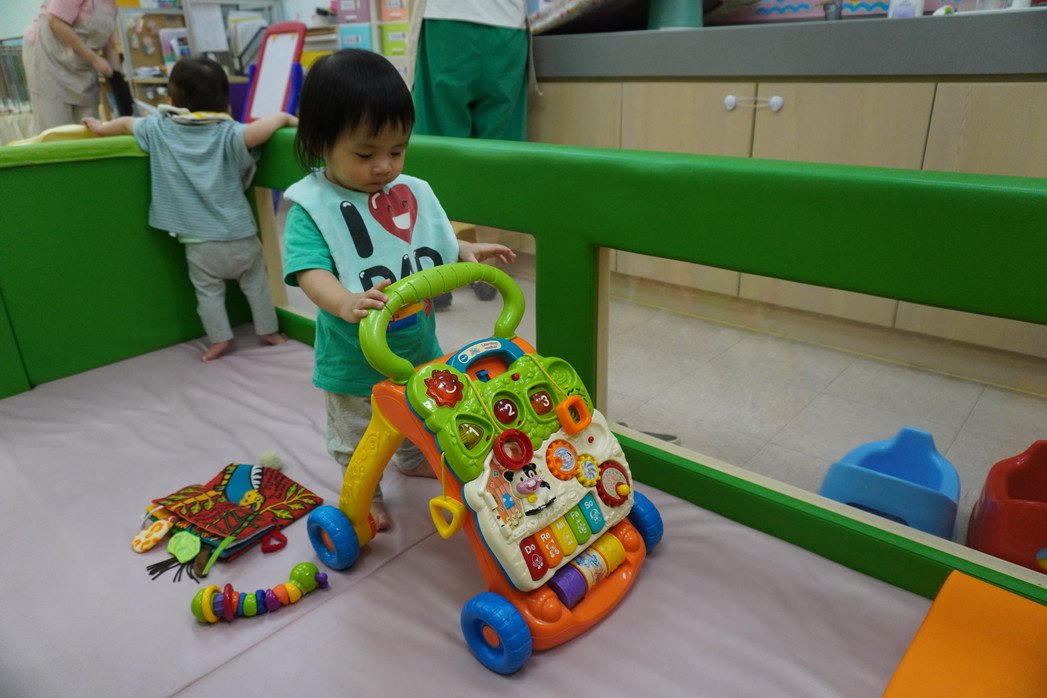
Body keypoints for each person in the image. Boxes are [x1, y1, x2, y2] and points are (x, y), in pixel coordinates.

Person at [284, 49, 516, 531]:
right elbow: (309, 272)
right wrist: (345, 301)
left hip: (416, 344)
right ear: (321, 142)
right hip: (353, 356)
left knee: (420, 409)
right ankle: (363, 491)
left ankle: (411, 458)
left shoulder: (408, 193)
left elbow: (427, 243)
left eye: (397, 151)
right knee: (356, 433)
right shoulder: (314, 207)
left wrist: (464, 252)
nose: (384, 166)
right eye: (365, 154)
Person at [83, 56, 295, 362]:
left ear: (171, 100)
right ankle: (268, 331)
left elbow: (127, 122)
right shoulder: (228, 133)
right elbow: (257, 132)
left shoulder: (159, 129)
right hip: (240, 237)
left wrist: (101, 128)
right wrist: (284, 117)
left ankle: (219, 339)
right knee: (256, 285)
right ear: (225, 103)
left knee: (208, 295)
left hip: (199, 243)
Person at [411, 0, 530, 307]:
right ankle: (486, 269)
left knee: (440, 152)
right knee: (496, 155)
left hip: (448, 22)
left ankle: (437, 269)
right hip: (506, 28)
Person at [23, 0, 121, 134]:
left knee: (88, 128)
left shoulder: (112, 5)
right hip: (49, 59)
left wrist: (118, 81)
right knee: (55, 129)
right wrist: (94, 59)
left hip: (82, 66)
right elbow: (55, 21)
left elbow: (109, 46)